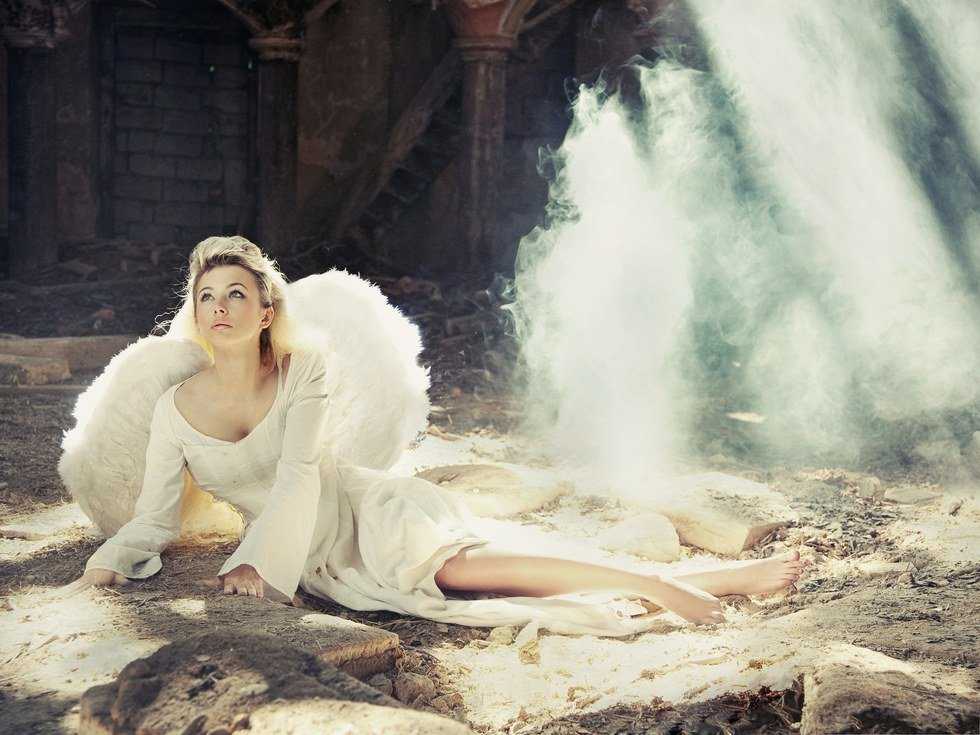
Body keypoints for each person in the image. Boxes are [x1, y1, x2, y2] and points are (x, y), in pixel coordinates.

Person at [58, 236, 802, 636]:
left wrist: (255, 562)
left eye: (236, 295)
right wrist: (106, 565)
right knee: (487, 577)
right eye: (206, 297)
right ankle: (708, 582)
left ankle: (657, 585)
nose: (220, 308)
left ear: (265, 311)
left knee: (466, 573)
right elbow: (153, 517)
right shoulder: (175, 408)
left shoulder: (303, 370)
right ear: (195, 313)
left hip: (358, 509)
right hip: (312, 557)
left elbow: (300, 474)